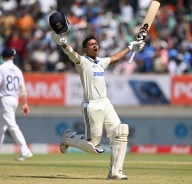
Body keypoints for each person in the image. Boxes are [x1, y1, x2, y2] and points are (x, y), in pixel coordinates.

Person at [49, 11, 145, 180]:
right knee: (94, 147)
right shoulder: (83, 62)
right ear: (85, 49)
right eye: (91, 44)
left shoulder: (101, 62)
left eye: (96, 44)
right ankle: (68, 138)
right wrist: (63, 44)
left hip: (105, 103)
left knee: (121, 131)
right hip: (91, 105)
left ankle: (115, 171)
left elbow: (115, 57)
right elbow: (71, 53)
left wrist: (131, 47)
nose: (95, 46)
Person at [0, 47, 33, 161]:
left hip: (5, 99)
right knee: (1, 127)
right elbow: (23, 89)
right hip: (14, 99)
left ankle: (25, 150)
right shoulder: (18, 70)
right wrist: (25, 104)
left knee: (12, 126)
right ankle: (25, 150)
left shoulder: (2, 68)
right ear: (12, 57)